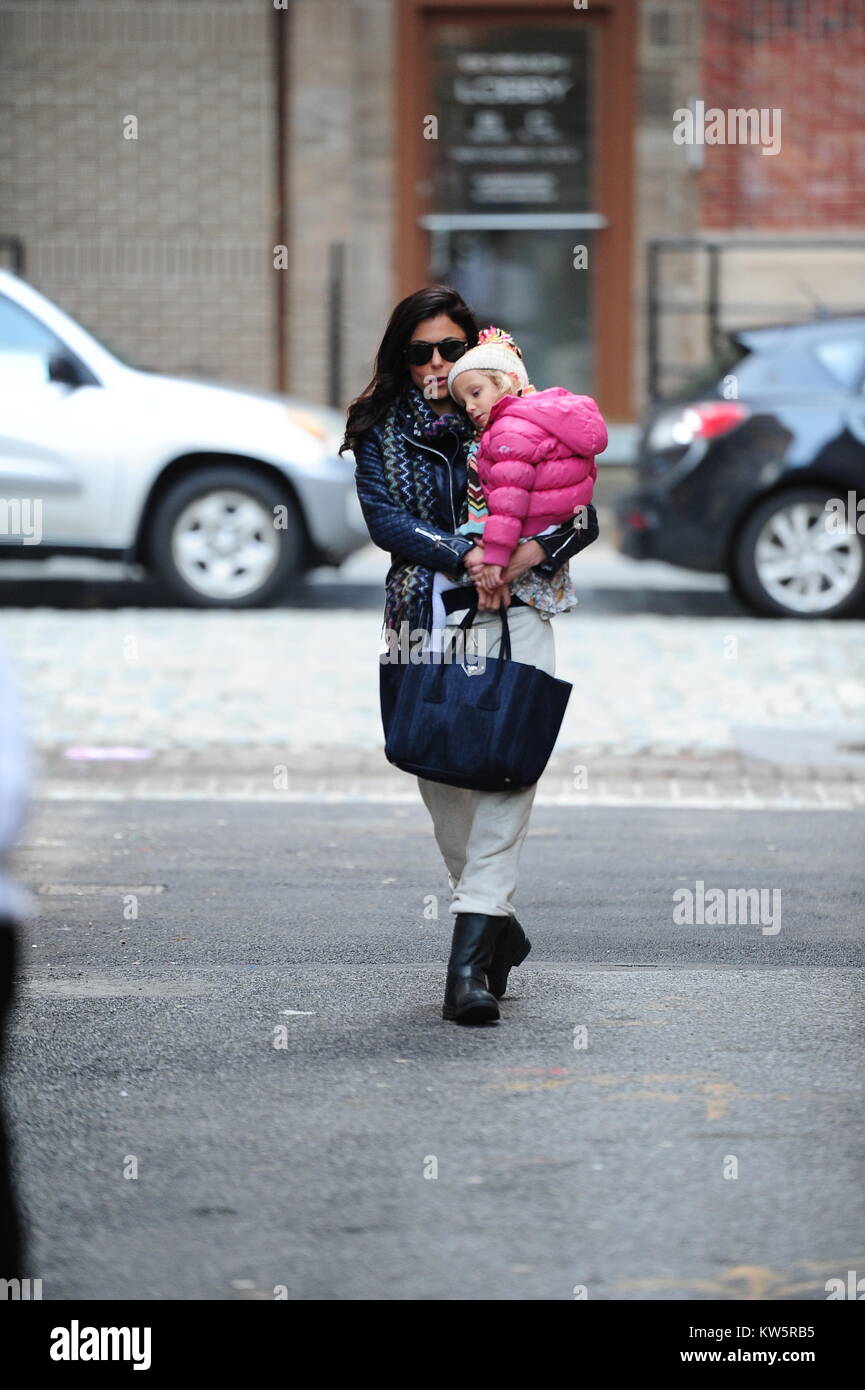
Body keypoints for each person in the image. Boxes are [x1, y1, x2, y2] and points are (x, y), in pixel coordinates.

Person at [344, 285, 600, 1025]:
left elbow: (580, 513)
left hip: (518, 610)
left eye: (448, 349)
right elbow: (386, 521)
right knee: (442, 778)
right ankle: (498, 927)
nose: (434, 363)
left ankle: (465, 970)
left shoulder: (519, 409)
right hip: (421, 616)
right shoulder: (380, 426)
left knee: (504, 773)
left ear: (475, 350)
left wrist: (527, 554)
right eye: (418, 350)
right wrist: (469, 556)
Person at [448, 325, 606, 598]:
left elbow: (509, 498)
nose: (470, 407)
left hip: (525, 532)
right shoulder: (546, 419)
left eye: (475, 394)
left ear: (507, 381)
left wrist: (496, 558)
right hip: (555, 523)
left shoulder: (509, 429)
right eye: (463, 402)